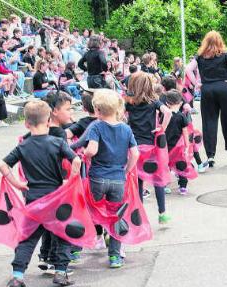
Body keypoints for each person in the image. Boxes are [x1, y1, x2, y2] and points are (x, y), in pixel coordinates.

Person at [0, 100, 81, 287]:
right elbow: (76, 159)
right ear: (48, 121)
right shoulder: (58, 142)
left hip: (33, 200)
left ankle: (18, 277)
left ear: (26, 124)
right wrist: (70, 181)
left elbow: (2, 165)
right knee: (63, 235)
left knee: (28, 238)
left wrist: (17, 183)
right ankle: (61, 272)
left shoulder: (23, 146)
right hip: (56, 197)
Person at [82, 89, 139, 268]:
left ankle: (77, 247)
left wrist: (85, 155)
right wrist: (126, 170)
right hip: (118, 179)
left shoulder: (97, 127)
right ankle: (114, 256)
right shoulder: (126, 128)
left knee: (91, 212)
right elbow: (135, 154)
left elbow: (91, 150)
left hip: (98, 178)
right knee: (115, 216)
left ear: (97, 110)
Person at [184, 30, 227, 168]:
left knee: (209, 121)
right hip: (224, 87)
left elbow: (187, 69)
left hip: (207, 89)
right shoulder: (225, 55)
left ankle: (210, 155)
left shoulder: (200, 57)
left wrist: (196, 84)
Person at [124, 72, 172, 224]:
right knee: (157, 179)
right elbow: (168, 112)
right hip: (150, 146)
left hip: (133, 147)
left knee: (138, 181)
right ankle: (162, 213)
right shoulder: (154, 101)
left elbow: (119, 115)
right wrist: (161, 128)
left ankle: (139, 216)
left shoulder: (129, 102)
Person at [162, 90, 192, 194]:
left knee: (166, 166)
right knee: (182, 166)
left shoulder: (164, 115)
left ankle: (164, 185)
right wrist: (187, 146)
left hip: (166, 146)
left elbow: (162, 130)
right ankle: (182, 187)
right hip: (179, 147)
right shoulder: (182, 116)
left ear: (167, 104)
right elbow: (185, 132)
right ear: (180, 103)